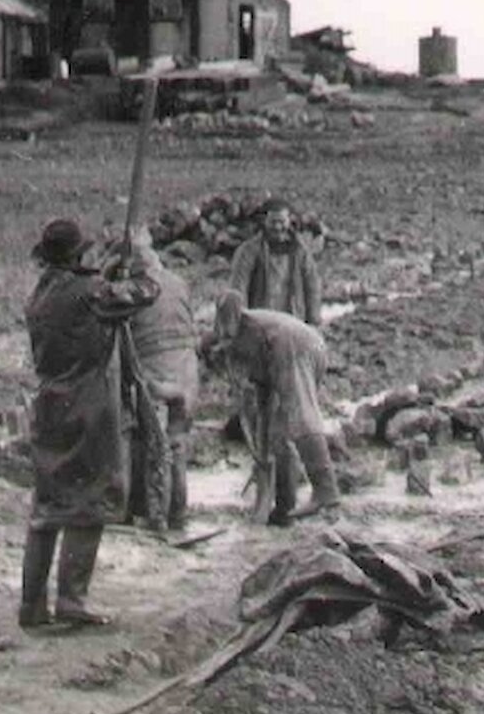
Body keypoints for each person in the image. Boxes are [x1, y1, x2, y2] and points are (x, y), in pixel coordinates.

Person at [25, 218, 157, 629]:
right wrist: (138, 266)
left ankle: (31, 606)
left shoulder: (41, 291)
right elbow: (144, 294)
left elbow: (96, 296)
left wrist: (105, 274)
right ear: (78, 255)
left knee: (48, 506)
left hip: (49, 403)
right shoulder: (88, 292)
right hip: (88, 403)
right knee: (92, 498)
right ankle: (71, 599)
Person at [208, 291, 343, 525]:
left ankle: (326, 492)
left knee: (301, 415)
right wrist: (261, 452)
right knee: (279, 433)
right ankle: (285, 509)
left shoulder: (232, 334)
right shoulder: (241, 343)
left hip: (294, 346)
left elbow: (230, 300)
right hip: (299, 346)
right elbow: (262, 397)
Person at [119, 230, 198, 534]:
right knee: (177, 444)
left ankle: (155, 517)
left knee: (152, 446)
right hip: (187, 372)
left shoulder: (133, 289)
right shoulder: (178, 283)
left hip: (154, 373)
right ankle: (178, 513)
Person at [229, 197, 324, 325]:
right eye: (273, 222)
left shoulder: (301, 251)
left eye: (282, 222)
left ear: (289, 221)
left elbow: (312, 286)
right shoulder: (248, 251)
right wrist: (241, 321)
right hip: (260, 322)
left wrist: (314, 321)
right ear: (264, 221)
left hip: (293, 321)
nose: (278, 227)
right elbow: (238, 287)